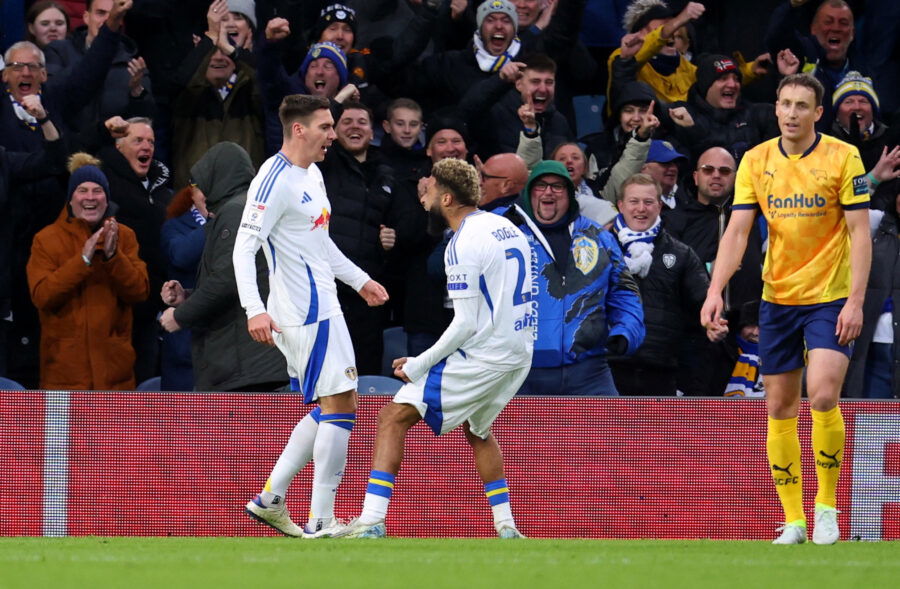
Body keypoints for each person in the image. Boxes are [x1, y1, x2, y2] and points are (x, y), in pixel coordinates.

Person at [700, 73, 871, 545]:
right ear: (775, 108)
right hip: (778, 298)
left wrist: (856, 300)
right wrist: (716, 292)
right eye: (785, 104)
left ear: (818, 113)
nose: (792, 113)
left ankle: (827, 507)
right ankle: (794, 519)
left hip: (830, 295)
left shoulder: (843, 156)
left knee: (822, 395)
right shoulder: (755, 160)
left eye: (802, 105)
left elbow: (860, 232)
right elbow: (736, 232)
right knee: (778, 406)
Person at [334, 157, 534, 539]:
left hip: (485, 355)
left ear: (446, 197)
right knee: (478, 428)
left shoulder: (460, 245)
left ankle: (372, 521)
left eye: (426, 188)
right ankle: (507, 527)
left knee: (392, 418)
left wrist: (419, 364)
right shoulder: (506, 227)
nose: (420, 192)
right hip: (518, 352)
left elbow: (465, 323)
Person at [232, 94, 389, 538]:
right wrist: (254, 309)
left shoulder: (313, 174)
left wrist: (359, 280)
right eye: (325, 127)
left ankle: (271, 499)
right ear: (298, 129)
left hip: (324, 304)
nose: (333, 135)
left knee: (333, 404)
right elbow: (244, 248)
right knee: (341, 404)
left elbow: (319, 244)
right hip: (304, 312)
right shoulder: (273, 179)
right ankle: (322, 518)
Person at [507, 161, 645, 396]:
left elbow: (624, 291)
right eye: (541, 185)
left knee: (611, 433)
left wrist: (625, 331)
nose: (549, 192)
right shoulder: (503, 234)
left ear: (570, 195)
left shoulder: (598, 236)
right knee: (514, 435)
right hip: (518, 374)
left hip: (589, 372)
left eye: (558, 186)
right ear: (529, 192)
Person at [158, 142, 288, 392]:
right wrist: (187, 296)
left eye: (199, 183)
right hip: (253, 359)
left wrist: (180, 316)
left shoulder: (235, 211)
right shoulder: (249, 207)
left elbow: (228, 279)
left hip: (245, 360)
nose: (200, 190)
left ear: (218, 174)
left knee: (241, 432)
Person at [26, 153, 149, 390]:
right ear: (70, 199)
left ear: (107, 197)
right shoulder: (46, 239)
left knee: (113, 430)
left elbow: (140, 292)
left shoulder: (125, 236)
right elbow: (42, 296)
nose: (90, 197)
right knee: (61, 430)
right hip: (62, 378)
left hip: (115, 378)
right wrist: (83, 259)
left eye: (97, 190)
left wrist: (114, 257)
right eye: (82, 190)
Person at [608, 173, 708, 395]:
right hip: (608, 367)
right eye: (634, 201)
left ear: (660, 206)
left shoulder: (681, 253)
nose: (641, 209)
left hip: (661, 369)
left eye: (648, 202)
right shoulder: (598, 248)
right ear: (621, 205)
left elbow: (704, 303)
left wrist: (714, 321)